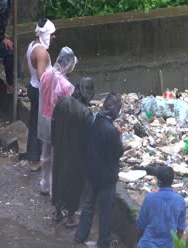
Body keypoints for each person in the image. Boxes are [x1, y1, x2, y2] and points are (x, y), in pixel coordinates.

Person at [75, 93, 123, 247]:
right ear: (114, 111)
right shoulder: (110, 130)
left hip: (93, 170)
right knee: (105, 209)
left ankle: (80, 234)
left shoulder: (94, 120)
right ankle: (103, 240)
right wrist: (119, 137)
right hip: (107, 175)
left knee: (89, 204)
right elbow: (118, 152)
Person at [51, 77, 95, 227]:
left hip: (60, 149)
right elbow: (89, 140)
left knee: (58, 178)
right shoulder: (86, 113)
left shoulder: (62, 102)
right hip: (77, 155)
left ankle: (57, 212)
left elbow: (54, 124)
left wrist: (55, 142)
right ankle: (71, 217)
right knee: (74, 185)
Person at [37, 46, 77, 195]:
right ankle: (55, 191)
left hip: (43, 119)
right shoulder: (65, 85)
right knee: (57, 158)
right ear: (68, 64)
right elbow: (68, 107)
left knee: (46, 155)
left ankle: (44, 185)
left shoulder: (46, 75)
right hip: (57, 123)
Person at [26, 18, 56, 172]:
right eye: (52, 34)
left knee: (35, 124)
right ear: (45, 34)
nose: (53, 37)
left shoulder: (32, 46)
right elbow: (41, 76)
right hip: (39, 91)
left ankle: (35, 157)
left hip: (33, 87)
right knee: (40, 126)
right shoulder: (41, 52)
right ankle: (37, 160)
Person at [136, 166, 187, 248]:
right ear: (172, 181)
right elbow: (180, 230)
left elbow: (141, 226)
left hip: (147, 244)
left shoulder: (149, 198)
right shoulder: (180, 200)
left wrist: (138, 242)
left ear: (158, 181)